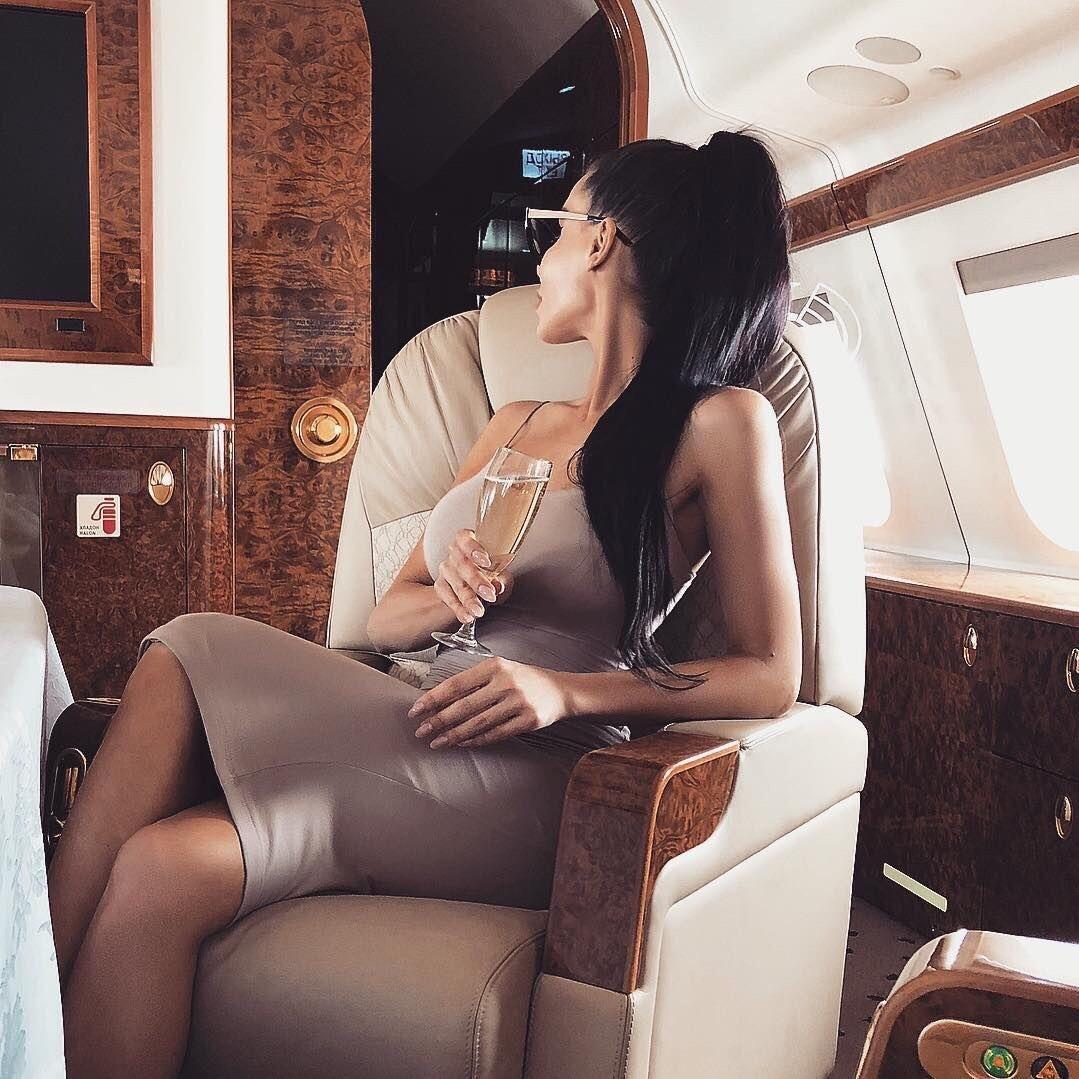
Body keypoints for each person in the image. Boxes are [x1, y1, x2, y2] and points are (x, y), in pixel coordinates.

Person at [46, 128, 803, 1078]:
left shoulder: (721, 422)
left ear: (601, 239)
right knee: (162, 867)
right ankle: (22, 1020)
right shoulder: (513, 423)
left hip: (535, 772)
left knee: (187, 644)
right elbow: (384, 621)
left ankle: (11, 993)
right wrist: (447, 596)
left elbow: (771, 672)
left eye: (555, 230)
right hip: (413, 706)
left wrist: (566, 691)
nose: (541, 259)